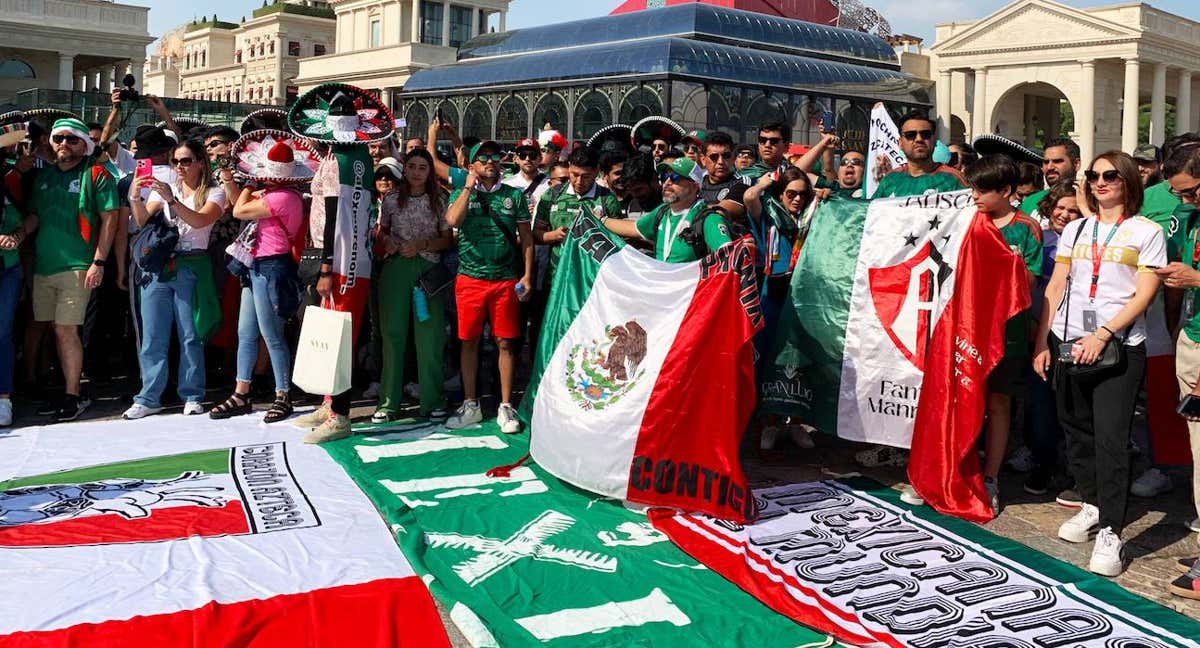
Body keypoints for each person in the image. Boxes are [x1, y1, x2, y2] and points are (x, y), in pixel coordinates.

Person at [1033, 151, 1165, 577]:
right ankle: (1092, 503)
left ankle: (1112, 528)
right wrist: (1043, 340)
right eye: (1094, 175)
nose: (1100, 182)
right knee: (1076, 431)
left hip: (1119, 347)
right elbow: (1057, 284)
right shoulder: (1075, 228)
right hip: (1070, 344)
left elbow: (1144, 294)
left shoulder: (1146, 232)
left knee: (1110, 438)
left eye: (1110, 175)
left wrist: (1104, 333)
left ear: (1128, 182)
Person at [21, 118, 119, 422]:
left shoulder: (97, 174)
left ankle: (73, 396)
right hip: (45, 266)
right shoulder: (43, 177)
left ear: (84, 144)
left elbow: (110, 219)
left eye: (71, 139)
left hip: (78, 267)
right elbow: (35, 217)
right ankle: (63, 390)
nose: (64, 144)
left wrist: (99, 261)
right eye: (58, 138)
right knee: (52, 329)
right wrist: (17, 235)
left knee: (65, 330)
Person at [124, 138, 223, 419]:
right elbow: (143, 220)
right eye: (175, 161)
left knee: (190, 334)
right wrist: (134, 196)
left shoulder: (213, 193)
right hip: (159, 265)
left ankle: (192, 393)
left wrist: (172, 200)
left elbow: (200, 221)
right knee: (153, 334)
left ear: (200, 163)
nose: (179, 166)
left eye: (186, 161)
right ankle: (148, 396)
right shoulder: (166, 189)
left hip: (191, 265)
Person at [967, 155, 1043, 516]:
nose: (975, 196)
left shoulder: (1027, 227)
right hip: (965, 329)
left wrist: (1000, 264)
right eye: (973, 187)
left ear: (1008, 191)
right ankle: (956, 469)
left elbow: (1030, 280)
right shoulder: (967, 221)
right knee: (963, 401)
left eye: (983, 190)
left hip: (1008, 334)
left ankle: (991, 477)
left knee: (998, 403)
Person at [443, 140, 533, 434]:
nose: (491, 162)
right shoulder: (460, 193)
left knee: (506, 342)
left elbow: (527, 240)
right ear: (472, 166)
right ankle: (471, 404)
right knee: (468, 342)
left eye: (495, 157)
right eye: (483, 159)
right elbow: (452, 220)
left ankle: (506, 405)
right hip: (470, 279)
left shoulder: (514, 196)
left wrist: (527, 275)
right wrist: (468, 187)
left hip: (505, 279)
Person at [367, 148, 453, 424]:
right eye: (412, 166)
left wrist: (422, 245)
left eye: (422, 167)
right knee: (392, 335)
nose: (416, 172)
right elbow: (381, 231)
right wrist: (388, 241)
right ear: (405, 169)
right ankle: (389, 402)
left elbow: (448, 239)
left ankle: (433, 399)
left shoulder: (439, 200)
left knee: (429, 337)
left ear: (429, 172)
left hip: (428, 270)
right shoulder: (391, 200)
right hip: (395, 270)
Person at [1155, 146, 1200, 600]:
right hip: (1192, 335)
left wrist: (1196, 279)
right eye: (1179, 194)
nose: (1185, 202)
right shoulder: (1193, 218)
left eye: (1191, 192)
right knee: (1197, 447)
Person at [1023, 181, 1083, 496]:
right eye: (1060, 207)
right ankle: (1043, 463)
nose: (1065, 214)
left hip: (1075, 332)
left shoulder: (1090, 240)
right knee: (1040, 402)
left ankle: (1074, 468)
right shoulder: (1039, 238)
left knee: (1071, 404)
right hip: (1039, 330)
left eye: (1074, 210)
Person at [604, 157, 732, 263]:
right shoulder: (663, 211)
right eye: (665, 176)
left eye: (675, 178)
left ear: (694, 186)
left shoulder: (708, 219)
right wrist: (599, 219)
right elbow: (633, 228)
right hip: (662, 288)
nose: (667, 182)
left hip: (690, 290)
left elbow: (729, 256)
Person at [534, 146, 622, 282]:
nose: (579, 182)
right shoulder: (551, 195)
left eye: (585, 176)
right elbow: (536, 234)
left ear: (596, 172)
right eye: (574, 175)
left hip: (592, 279)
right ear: (569, 167)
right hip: (556, 277)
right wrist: (554, 235)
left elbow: (618, 241)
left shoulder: (607, 199)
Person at [872, 111, 966, 198]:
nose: (919, 139)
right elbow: (869, 211)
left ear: (934, 140)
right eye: (910, 135)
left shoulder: (953, 179)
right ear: (900, 143)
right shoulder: (890, 180)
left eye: (925, 134)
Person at [1019, 138, 1081, 219]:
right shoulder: (1030, 202)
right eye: (1046, 162)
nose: (1049, 167)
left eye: (1057, 161)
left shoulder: (1091, 201)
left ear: (1076, 164)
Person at [697, 131, 750, 222]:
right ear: (703, 160)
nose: (720, 161)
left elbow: (721, 211)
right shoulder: (698, 184)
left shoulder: (741, 182)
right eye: (714, 157)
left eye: (726, 156)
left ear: (733, 158)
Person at [620, 152, 663, 221]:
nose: (635, 194)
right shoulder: (633, 205)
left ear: (653, 180)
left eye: (639, 189)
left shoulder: (671, 206)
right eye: (631, 190)